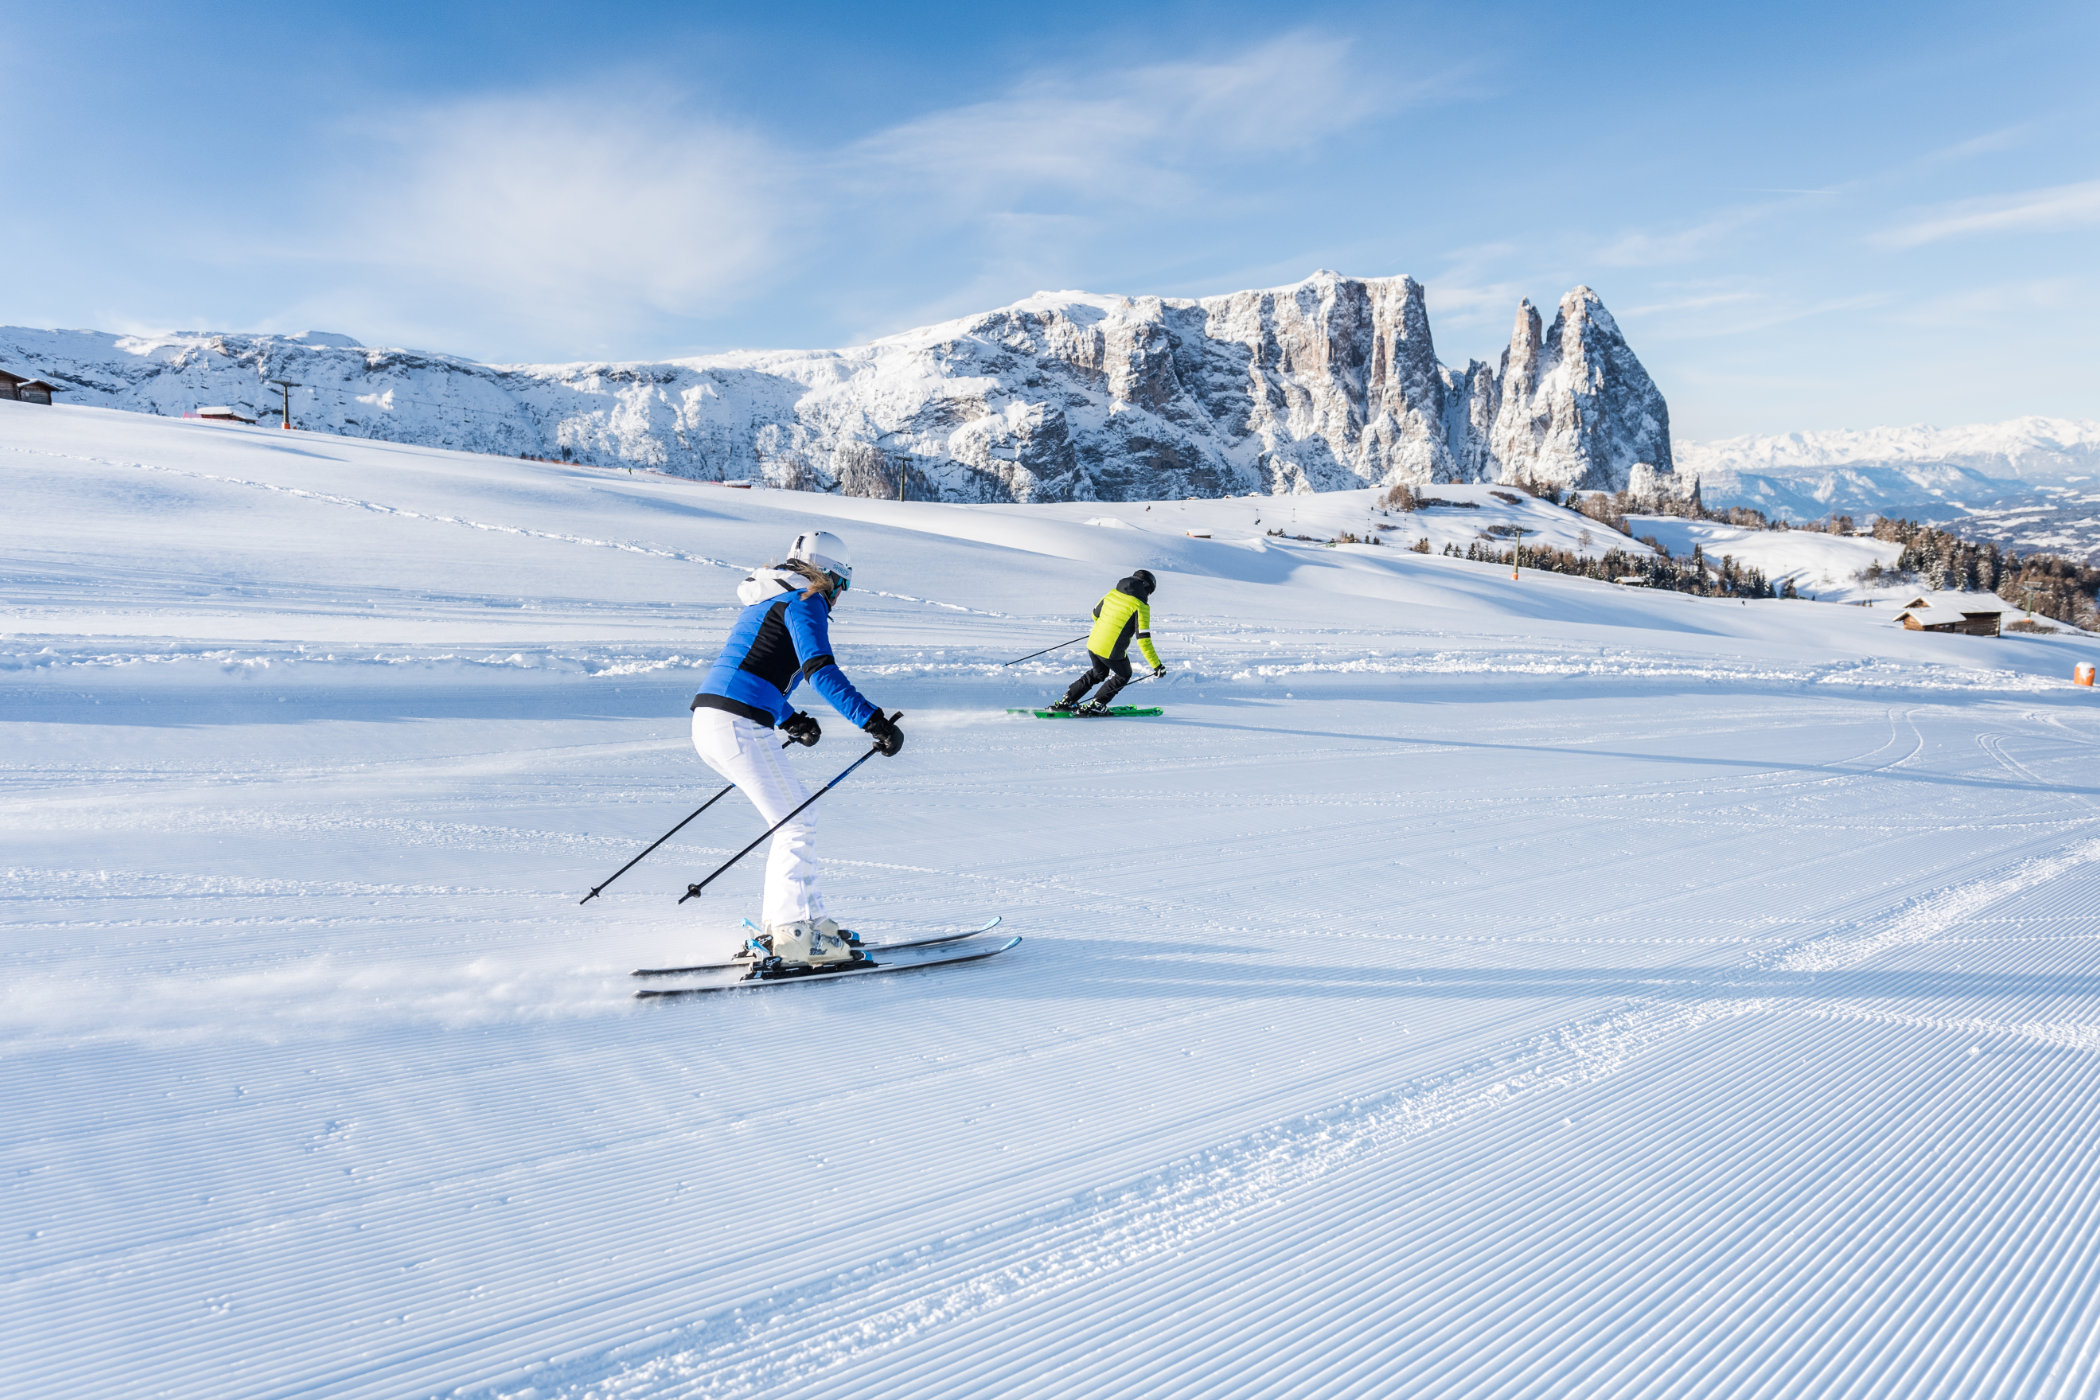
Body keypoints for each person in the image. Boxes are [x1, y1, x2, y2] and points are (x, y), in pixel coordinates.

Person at [690, 529, 904, 969]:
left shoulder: (770, 597)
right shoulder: (806, 600)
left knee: (795, 817)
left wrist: (790, 718)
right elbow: (819, 669)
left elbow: (752, 667)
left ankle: (807, 922)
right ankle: (792, 933)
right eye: (841, 585)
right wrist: (872, 720)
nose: (839, 597)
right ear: (828, 576)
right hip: (738, 725)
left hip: (713, 720)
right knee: (796, 822)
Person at [1049, 569, 1165, 715]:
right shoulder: (1141, 607)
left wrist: (1106, 628)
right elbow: (1143, 640)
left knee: (1099, 673)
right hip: (1111, 650)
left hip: (1094, 643)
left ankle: (1067, 701)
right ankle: (1097, 704)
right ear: (1147, 588)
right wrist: (1157, 665)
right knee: (1124, 675)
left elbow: (1095, 614)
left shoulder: (1112, 593)